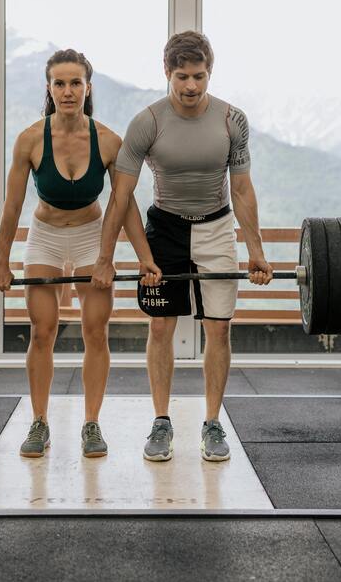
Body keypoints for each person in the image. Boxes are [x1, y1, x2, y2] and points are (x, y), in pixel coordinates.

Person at [91, 30, 273, 462]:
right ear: (166, 73)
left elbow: (243, 189)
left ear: (210, 72)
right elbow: (121, 196)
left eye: (199, 76)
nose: (191, 85)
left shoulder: (233, 120)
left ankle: (212, 423)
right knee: (159, 327)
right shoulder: (147, 123)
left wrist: (257, 251)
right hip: (165, 229)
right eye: (182, 76)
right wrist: (106, 259)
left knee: (219, 329)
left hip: (216, 226)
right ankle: (161, 421)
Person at [0, 49, 150, 459]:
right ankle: (40, 422)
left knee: (95, 331)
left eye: (75, 83)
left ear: (88, 87)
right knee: (42, 331)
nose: (67, 91)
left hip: (90, 236)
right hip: (44, 234)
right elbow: (11, 208)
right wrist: (0, 263)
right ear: (49, 88)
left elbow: (124, 206)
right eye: (59, 83)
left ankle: (91, 424)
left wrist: (131, 258)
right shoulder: (30, 139)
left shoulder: (108, 141)